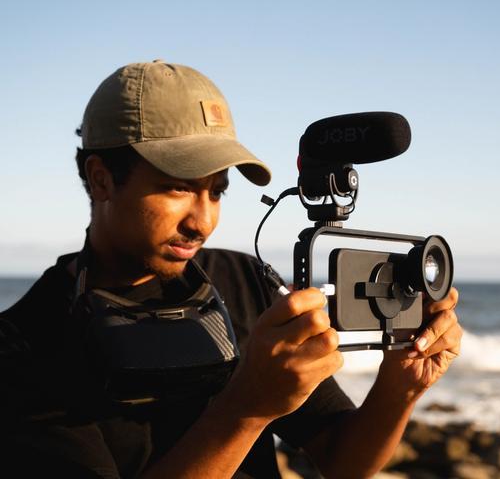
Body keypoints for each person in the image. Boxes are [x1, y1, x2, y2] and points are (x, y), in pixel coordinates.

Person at [0, 60, 462, 478]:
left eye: (217, 191)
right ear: (101, 178)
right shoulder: (25, 343)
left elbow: (343, 459)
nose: (202, 221)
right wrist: (245, 409)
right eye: (178, 188)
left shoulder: (243, 282)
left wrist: (401, 384)